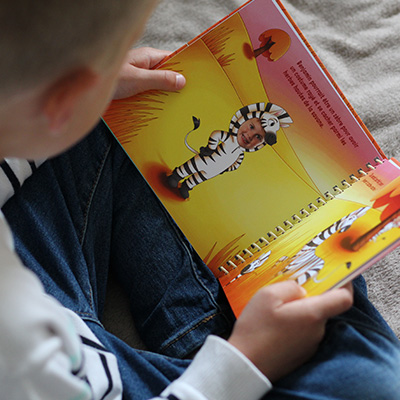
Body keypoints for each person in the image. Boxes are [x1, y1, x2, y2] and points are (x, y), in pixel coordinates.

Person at [0, 1, 399, 400]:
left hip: (33, 270)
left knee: (131, 110)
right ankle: (239, 333)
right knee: (369, 386)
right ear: (61, 102)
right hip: (71, 375)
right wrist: (246, 362)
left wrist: (93, 93)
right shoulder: (20, 357)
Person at [166, 102, 293, 199]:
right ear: (243, 120)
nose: (250, 135)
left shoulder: (240, 153)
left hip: (216, 169)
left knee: (202, 177)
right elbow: (216, 135)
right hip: (208, 157)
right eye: (251, 127)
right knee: (193, 166)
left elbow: (236, 164)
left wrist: (227, 169)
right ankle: (176, 175)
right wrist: (211, 148)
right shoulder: (229, 138)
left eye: (258, 137)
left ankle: (187, 185)